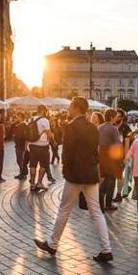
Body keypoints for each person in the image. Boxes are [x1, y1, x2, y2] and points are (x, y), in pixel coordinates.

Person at [34, 97, 113, 262]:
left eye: (70, 106)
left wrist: (65, 169)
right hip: (90, 173)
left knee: (64, 209)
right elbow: (95, 150)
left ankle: (52, 244)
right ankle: (106, 249)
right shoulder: (93, 127)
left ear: (76, 108)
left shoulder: (71, 127)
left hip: (75, 175)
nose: (69, 108)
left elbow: (67, 152)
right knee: (96, 212)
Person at [98, 109, 123, 211]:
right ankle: (107, 203)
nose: (117, 118)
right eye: (116, 116)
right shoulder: (113, 129)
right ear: (111, 117)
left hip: (101, 154)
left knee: (106, 177)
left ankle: (100, 197)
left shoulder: (100, 127)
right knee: (112, 179)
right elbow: (117, 144)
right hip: (110, 155)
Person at [27, 105, 52, 192]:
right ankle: (39, 183)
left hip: (32, 145)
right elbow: (49, 134)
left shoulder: (30, 119)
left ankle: (32, 184)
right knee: (43, 165)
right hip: (43, 146)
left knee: (32, 165)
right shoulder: (45, 120)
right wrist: (52, 140)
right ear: (43, 111)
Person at [113, 109, 132, 202]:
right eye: (116, 116)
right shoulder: (112, 125)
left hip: (121, 155)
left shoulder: (126, 128)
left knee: (119, 174)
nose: (118, 118)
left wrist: (126, 157)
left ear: (123, 118)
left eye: (120, 116)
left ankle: (118, 194)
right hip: (112, 155)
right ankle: (126, 186)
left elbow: (127, 142)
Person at [12, 115, 28, 179]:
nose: (17, 118)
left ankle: (23, 173)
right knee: (19, 159)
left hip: (21, 144)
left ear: (21, 117)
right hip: (18, 144)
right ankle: (23, 172)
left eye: (18, 116)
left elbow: (25, 135)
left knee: (20, 159)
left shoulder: (24, 125)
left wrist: (25, 145)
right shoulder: (18, 125)